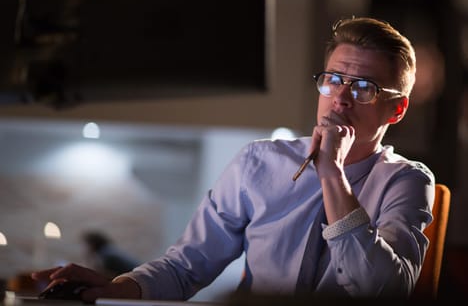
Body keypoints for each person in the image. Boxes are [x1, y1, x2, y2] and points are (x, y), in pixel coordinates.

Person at [32, 17, 435, 302]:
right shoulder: (259, 162)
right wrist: (115, 289)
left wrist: (332, 174)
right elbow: (188, 265)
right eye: (333, 80)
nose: (341, 98)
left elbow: (384, 292)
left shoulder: (407, 181)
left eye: (363, 87)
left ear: (396, 110)